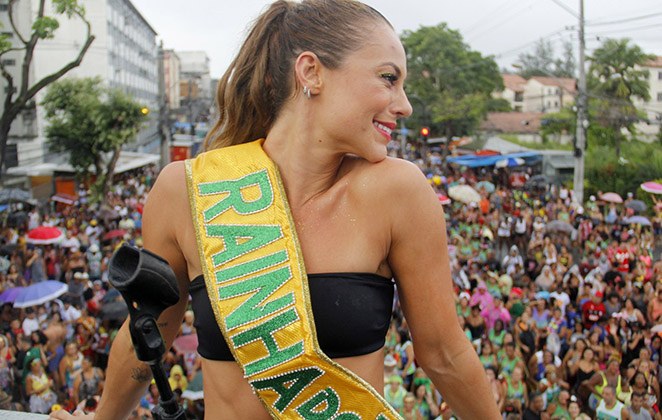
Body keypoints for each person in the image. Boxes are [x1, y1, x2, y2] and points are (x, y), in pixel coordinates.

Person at [51, 1, 498, 419]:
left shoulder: (398, 192)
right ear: (311, 72)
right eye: (388, 78)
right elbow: (149, 331)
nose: (405, 105)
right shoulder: (186, 190)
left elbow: (444, 355)